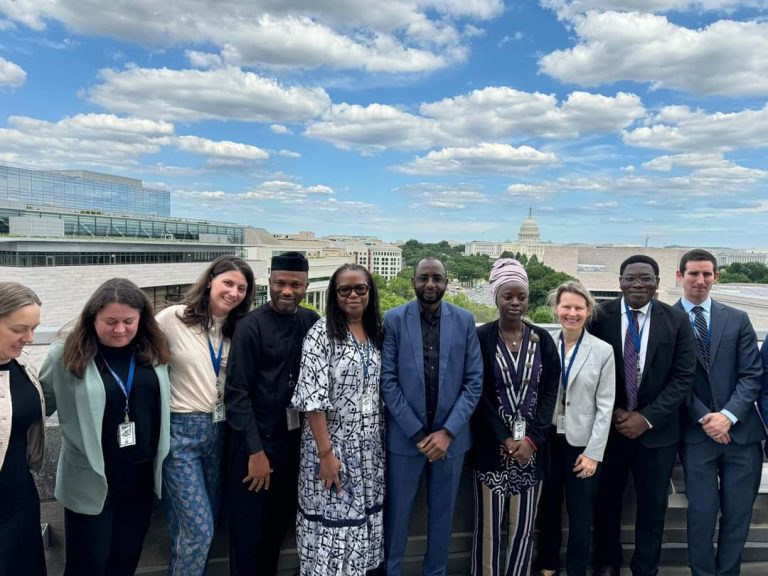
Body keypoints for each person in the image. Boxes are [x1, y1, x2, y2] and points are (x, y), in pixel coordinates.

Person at [39, 278, 171, 576]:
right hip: (91, 478)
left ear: (141, 319)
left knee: (126, 559)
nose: (120, 329)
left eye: (129, 321)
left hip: (140, 477)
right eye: (110, 321)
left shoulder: (154, 351)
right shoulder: (65, 354)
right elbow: (37, 406)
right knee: (88, 564)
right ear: (92, 318)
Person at [589, 255, 696, 576]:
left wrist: (646, 418)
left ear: (657, 283)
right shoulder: (599, 316)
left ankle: (645, 568)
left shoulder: (677, 320)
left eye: (646, 278)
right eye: (631, 278)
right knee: (606, 502)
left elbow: (683, 377)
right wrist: (614, 411)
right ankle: (608, 563)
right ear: (620, 282)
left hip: (657, 434)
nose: (638, 284)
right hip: (610, 430)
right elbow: (588, 370)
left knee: (652, 508)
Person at [381, 256, 483, 576]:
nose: (430, 284)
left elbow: (474, 381)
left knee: (443, 517)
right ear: (413, 281)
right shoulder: (394, 320)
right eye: (423, 278)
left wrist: (448, 432)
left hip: (450, 442)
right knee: (396, 516)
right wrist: (416, 433)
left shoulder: (464, 320)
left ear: (446, 283)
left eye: (437, 278)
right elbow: (387, 381)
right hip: (405, 440)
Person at [156, 255, 254, 576]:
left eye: (242, 288)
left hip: (220, 432)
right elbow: (137, 350)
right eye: (228, 283)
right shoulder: (172, 318)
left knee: (198, 527)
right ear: (210, 280)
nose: (234, 292)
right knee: (198, 530)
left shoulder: (240, 329)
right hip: (180, 434)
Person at [225, 251, 319, 576]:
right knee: (248, 538)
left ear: (306, 285)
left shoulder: (311, 322)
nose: (287, 291)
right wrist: (255, 452)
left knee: (276, 533)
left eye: (295, 285)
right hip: (255, 448)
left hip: (292, 448)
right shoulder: (250, 326)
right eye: (280, 283)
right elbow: (236, 394)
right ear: (270, 282)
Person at [291, 263, 386, 575]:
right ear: (335, 294)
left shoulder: (377, 331)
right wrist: (326, 456)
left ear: (370, 292)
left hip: (369, 451)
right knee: (333, 527)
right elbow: (312, 401)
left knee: (362, 527)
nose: (353, 295)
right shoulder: (321, 334)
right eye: (344, 290)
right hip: (333, 450)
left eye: (360, 288)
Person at [674, 249, 764, 576]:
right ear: (680, 276)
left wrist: (728, 415)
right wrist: (705, 417)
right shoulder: (667, 320)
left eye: (707, 274)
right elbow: (672, 380)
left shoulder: (737, 318)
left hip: (742, 436)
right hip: (696, 436)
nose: (700, 280)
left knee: (738, 516)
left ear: (716, 277)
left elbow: (752, 375)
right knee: (701, 514)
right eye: (693, 274)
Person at [468, 258, 560, 576]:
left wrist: (532, 439)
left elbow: (550, 393)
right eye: (508, 296)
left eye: (521, 296)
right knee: (488, 530)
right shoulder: (481, 338)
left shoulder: (542, 341)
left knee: (523, 530)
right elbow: (477, 394)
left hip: (530, 454)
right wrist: (504, 437)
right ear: (496, 297)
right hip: (492, 450)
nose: (515, 303)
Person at [534, 280, 615, 576]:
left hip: (583, 444)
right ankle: (548, 566)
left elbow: (605, 406)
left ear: (588, 311)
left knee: (580, 514)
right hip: (547, 440)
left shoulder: (603, 351)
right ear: (556, 309)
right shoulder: (541, 343)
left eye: (579, 308)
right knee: (548, 508)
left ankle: (577, 569)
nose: (572, 313)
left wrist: (594, 453)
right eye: (566, 306)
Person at [0, 282, 46, 576]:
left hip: (20, 494)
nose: (29, 338)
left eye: (34, 328)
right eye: (20, 329)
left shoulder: (23, 365)